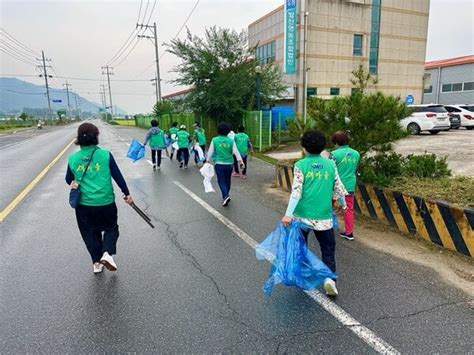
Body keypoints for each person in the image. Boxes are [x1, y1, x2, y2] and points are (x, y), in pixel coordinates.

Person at [281, 130, 348, 296]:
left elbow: (296, 192)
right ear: (323, 146)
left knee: (300, 246)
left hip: (302, 216)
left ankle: (303, 275)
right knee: (328, 248)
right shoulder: (330, 164)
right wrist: (343, 204)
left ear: (304, 147)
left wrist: (288, 214)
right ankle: (329, 279)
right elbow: (338, 186)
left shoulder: (300, 165)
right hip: (323, 217)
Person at [65, 122, 133, 274]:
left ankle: (96, 263)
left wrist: (73, 182)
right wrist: (126, 193)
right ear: (96, 137)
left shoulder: (73, 158)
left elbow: (68, 178)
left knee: (89, 232)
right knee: (111, 228)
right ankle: (107, 253)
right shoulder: (105, 155)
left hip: (84, 205)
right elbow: (117, 176)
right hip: (105, 202)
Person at [331, 131, 360, 241]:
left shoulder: (334, 154)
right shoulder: (356, 153)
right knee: (348, 209)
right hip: (350, 184)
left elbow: (330, 170)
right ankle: (349, 232)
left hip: (335, 185)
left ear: (337, 142)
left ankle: (325, 227)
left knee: (328, 205)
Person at [206, 122, 244, 206]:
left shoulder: (214, 140)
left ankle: (226, 195)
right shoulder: (231, 141)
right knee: (227, 180)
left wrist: (207, 160)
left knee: (221, 180)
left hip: (219, 164)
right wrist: (240, 161)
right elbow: (236, 152)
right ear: (228, 131)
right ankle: (225, 195)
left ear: (218, 130)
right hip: (229, 164)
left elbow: (210, 151)